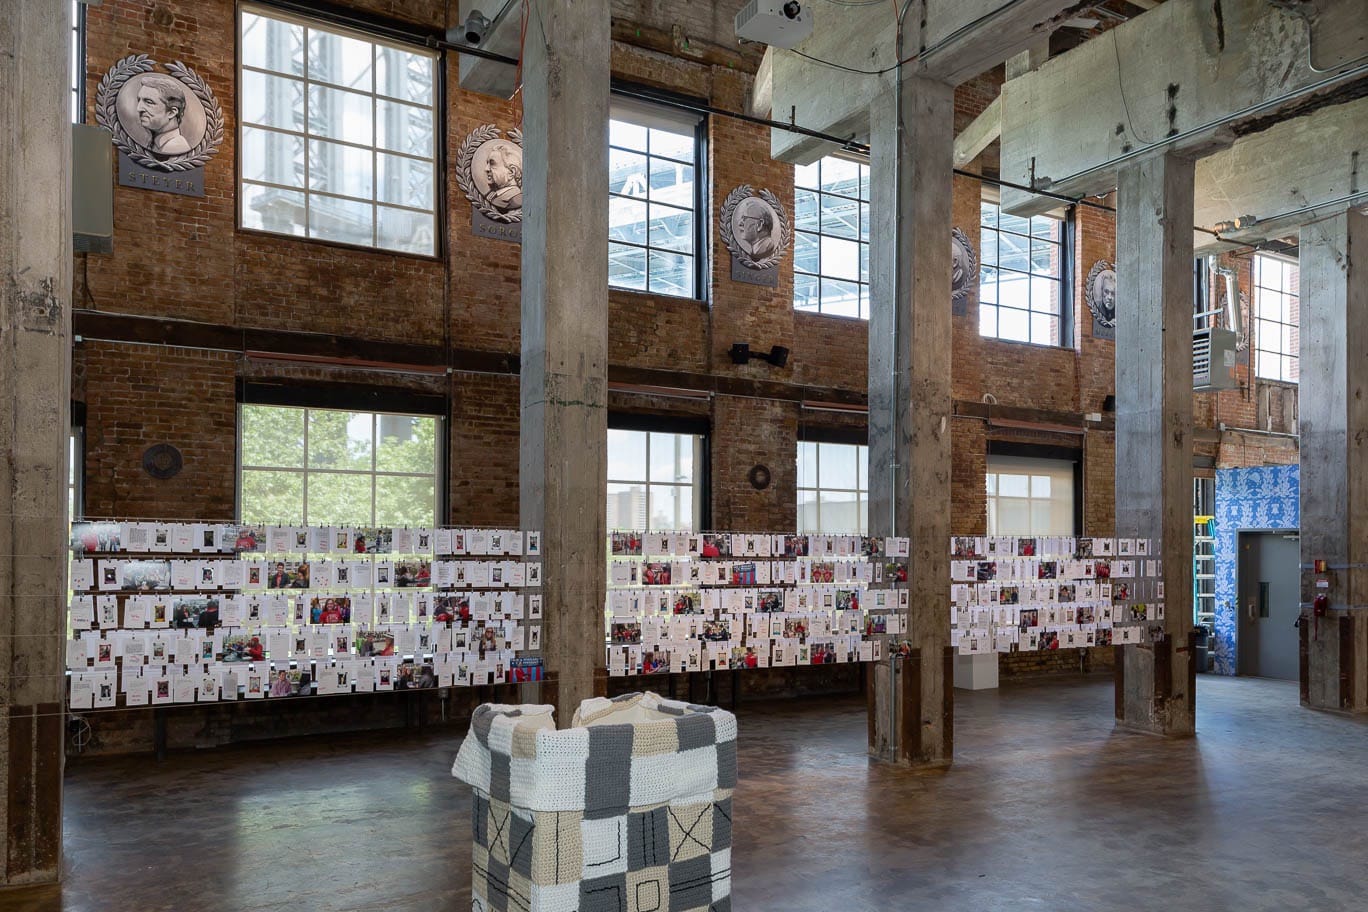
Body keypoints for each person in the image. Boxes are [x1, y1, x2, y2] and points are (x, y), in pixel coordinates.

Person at [135, 74, 192, 158]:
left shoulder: (177, 148)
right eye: (139, 100)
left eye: (149, 102)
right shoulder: (156, 144)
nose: (139, 108)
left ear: (172, 112)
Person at [482, 141, 523, 213]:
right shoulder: (491, 195)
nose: (486, 169)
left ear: (511, 172)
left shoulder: (516, 199)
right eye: (487, 163)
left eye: (492, 164)